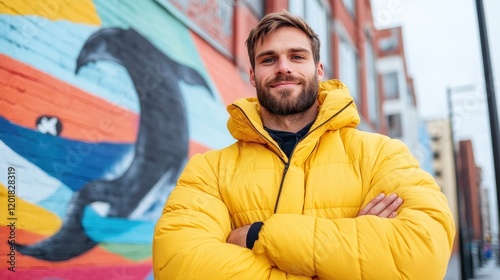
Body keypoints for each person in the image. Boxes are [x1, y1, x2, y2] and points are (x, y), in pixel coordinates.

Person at [153, 10, 455, 279]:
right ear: (253, 76)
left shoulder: (380, 155)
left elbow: (423, 254)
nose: (283, 67)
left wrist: (259, 236)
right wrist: (345, 253)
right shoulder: (210, 172)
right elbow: (179, 265)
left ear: (318, 71)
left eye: (297, 56)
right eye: (268, 59)